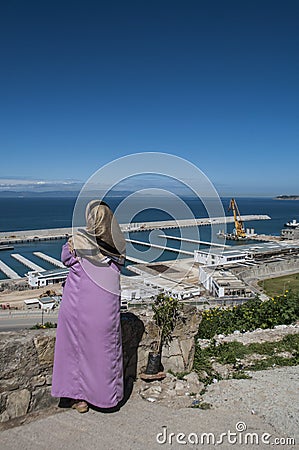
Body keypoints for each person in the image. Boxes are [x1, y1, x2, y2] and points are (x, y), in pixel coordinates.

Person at [51, 200, 126, 413]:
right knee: (104, 352)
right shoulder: (118, 245)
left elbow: (66, 258)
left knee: (75, 351)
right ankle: (106, 397)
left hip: (77, 304)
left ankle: (79, 399)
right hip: (106, 308)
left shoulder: (78, 242)